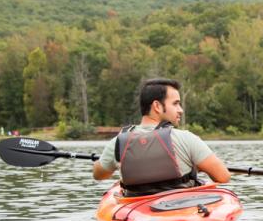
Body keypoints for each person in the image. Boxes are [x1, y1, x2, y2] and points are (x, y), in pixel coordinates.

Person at [94, 78, 232, 195]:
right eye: (176, 103)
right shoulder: (186, 139)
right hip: (183, 207)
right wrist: (196, 167)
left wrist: (110, 160)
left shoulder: (118, 142)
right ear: (157, 106)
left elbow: (99, 175)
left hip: (137, 209)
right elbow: (223, 177)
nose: (181, 110)